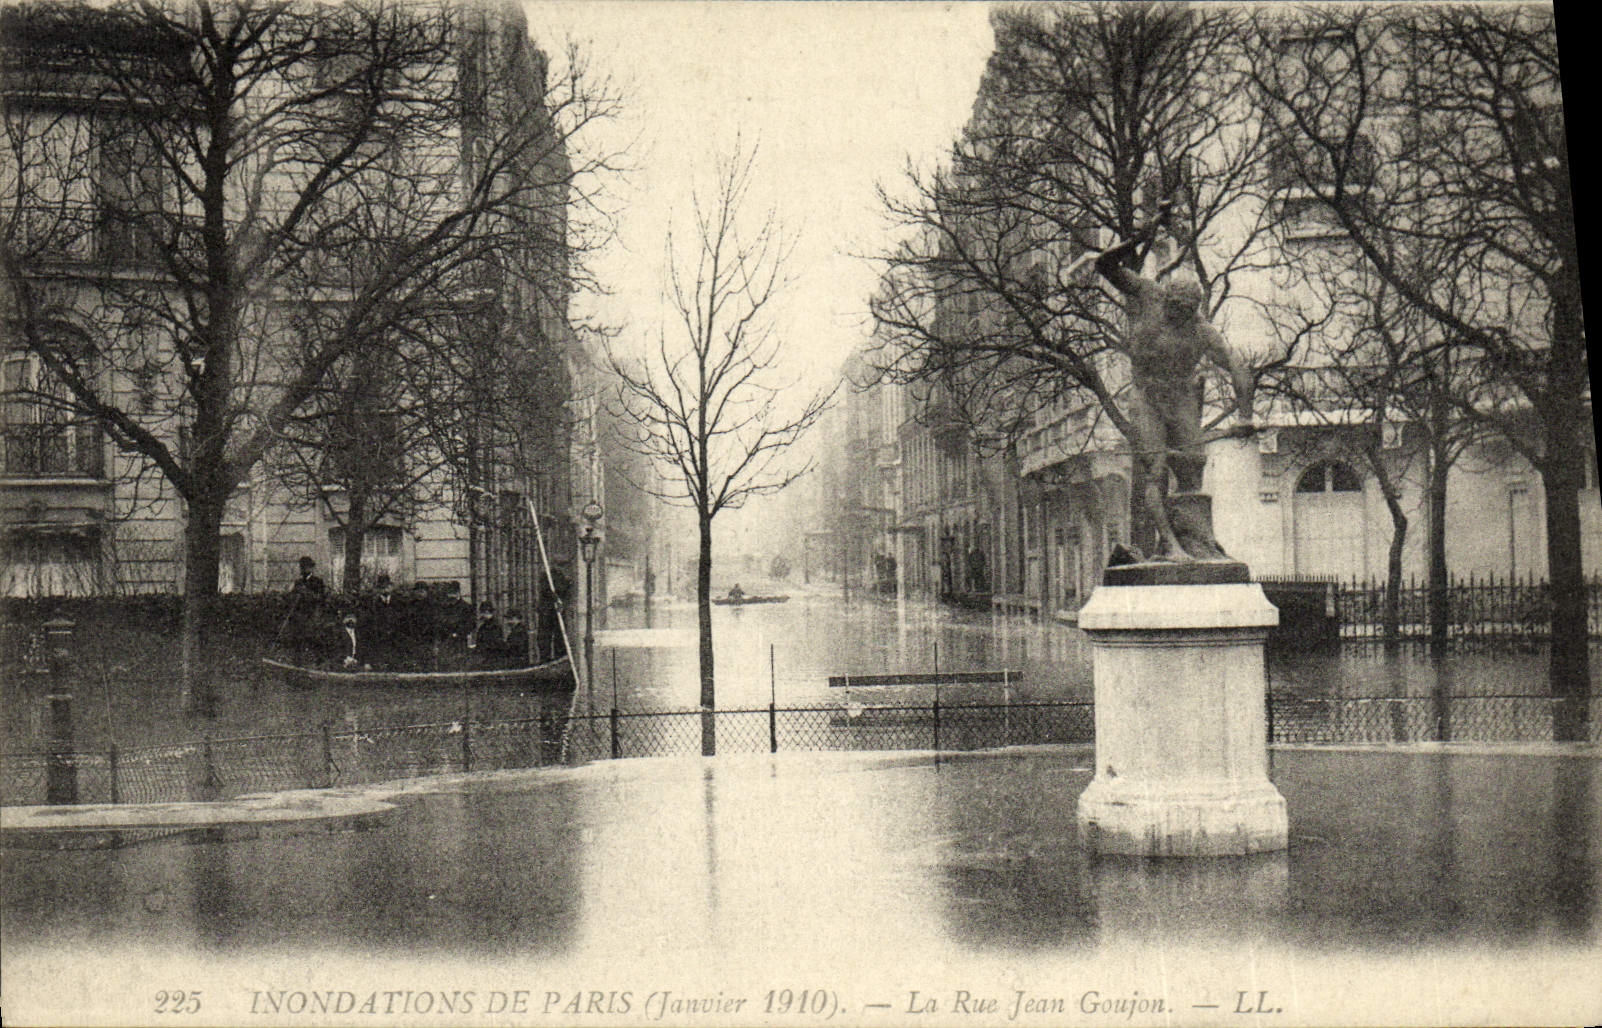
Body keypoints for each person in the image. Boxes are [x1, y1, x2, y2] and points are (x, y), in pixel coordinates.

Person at [1095, 205, 1256, 562]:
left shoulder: (1202, 334)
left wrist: (1246, 414)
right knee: (1154, 470)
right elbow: (1105, 266)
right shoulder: (1149, 294)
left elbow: (1238, 366)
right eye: (1170, 309)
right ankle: (1169, 543)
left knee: (1191, 468)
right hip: (1146, 393)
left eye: (1181, 314)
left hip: (1181, 394)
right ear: (1166, 300)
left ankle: (1196, 539)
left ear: (1191, 311)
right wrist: (1141, 234)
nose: (1172, 316)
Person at [284, 556, 328, 663]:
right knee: (297, 639)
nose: (303, 569)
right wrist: (291, 592)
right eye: (302, 567)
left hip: (312, 615)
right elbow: (290, 599)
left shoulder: (318, 582)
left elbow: (320, 598)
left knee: (314, 639)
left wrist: (307, 593)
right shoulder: (298, 583)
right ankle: (297, 662)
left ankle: (318, 662)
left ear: (311, 568)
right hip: (299, 616)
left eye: (306, 567)